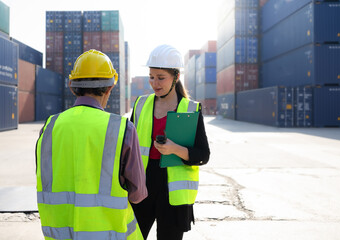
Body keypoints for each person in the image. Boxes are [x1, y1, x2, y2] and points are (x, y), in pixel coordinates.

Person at [35, 49, 147, 240]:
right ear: (110, 88)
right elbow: (137, 194)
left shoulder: (50, 127)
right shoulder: (122, 129)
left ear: (72, 87)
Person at [130, 44, 210, 240]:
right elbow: (127, 147)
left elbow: (203, 155)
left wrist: (175, 149)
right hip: (143, 188)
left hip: (173, 196)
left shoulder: (191, 109)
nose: (154, 83)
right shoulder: (141, 105)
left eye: (161, 78)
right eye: (151, 77)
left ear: (176, 77)